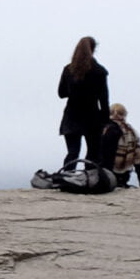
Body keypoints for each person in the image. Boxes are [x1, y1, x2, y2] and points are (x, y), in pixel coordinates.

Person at [57, 37, 113, 175]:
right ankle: (90, 179)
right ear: (93, 50)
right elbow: (104, 99)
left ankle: (67, 177)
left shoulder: (68, 70)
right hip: (92, 116)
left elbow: (61, 93)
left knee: (72, 152)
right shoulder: (99, 71)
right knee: (93, 152)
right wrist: (105, 121)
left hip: (72, 115)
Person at [106, 103, 140, 187]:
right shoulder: (132, 132)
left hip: (104, 174)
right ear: (124, 115)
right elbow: (139, 160)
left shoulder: (103, 129)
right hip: (123, 175)